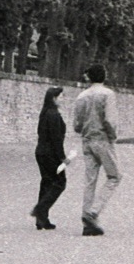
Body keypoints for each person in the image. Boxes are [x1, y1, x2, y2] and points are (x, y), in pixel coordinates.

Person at [71, 63, 122, 236]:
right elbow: (110, 120)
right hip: (102, 139)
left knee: (90, 180)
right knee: (114, 176)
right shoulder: (108, 94)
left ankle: (87, 220)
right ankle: (93, 211)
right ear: (104, 76)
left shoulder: (81, 96)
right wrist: (113, 135)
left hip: (86, 140)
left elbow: (76, 125)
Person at [30, 86, 68, 230]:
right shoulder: (53, 115)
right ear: (54, 98)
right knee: (60, 182)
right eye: (61, 97)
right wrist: (63, 158)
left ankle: (42, 219)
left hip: (41, 151)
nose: (63, 100)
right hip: (50, 154)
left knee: (46, 182)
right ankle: (41, 209)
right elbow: (56, 139)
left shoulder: (45, 113)